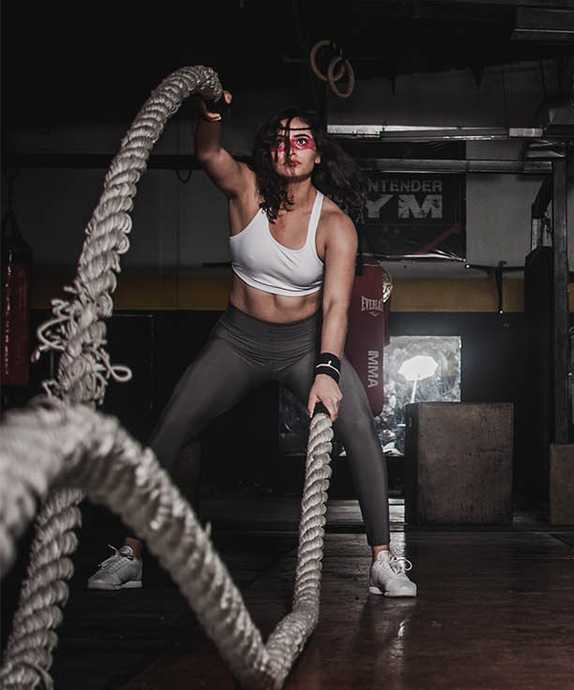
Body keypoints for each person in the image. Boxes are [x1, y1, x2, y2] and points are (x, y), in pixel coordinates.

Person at [87, 91, 416, 598]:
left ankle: (382, 560)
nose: (290, 149)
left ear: (317, 154)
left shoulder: (335, 225)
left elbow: (335, 307)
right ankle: (130, 553)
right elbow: (207, 154)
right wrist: (210, 113)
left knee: (360, 429)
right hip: (238, 339)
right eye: (281, 141)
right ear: (270, 152)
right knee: (172, 426)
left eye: (301, 141)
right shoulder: (245, 190)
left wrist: (327, 369)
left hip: (305, 344)